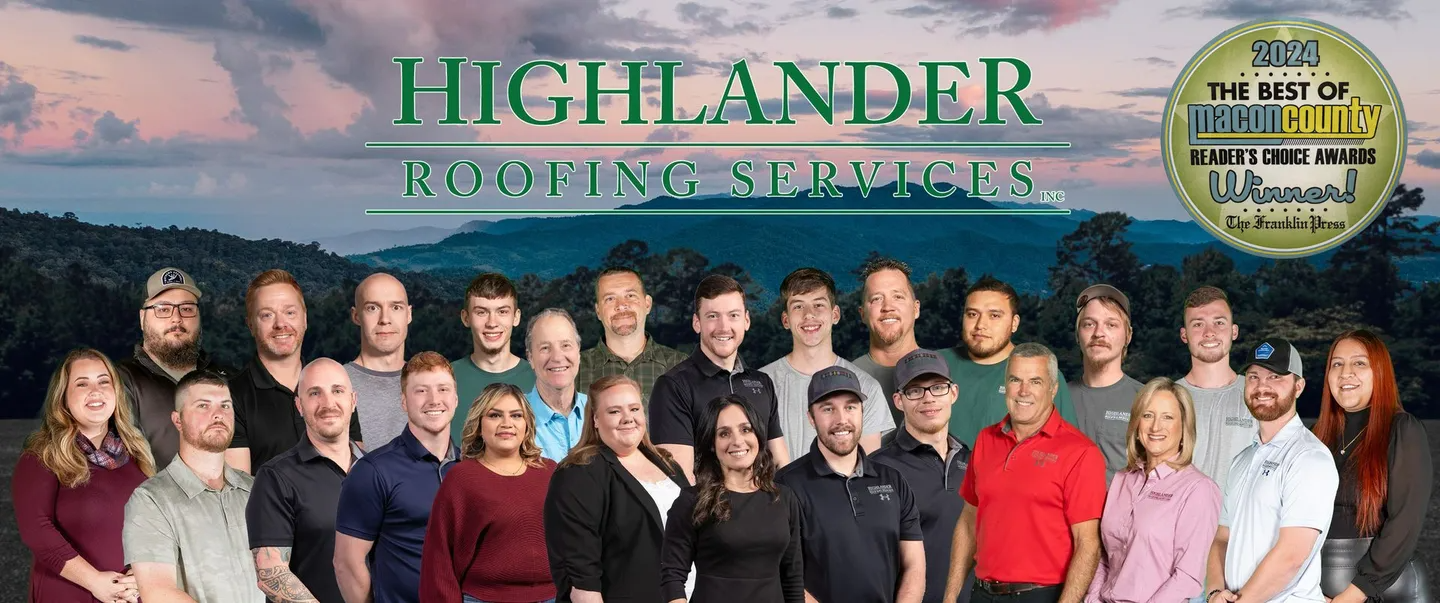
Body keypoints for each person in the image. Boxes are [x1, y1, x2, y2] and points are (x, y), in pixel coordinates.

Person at [943, 342, 1105, 603]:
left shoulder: (1081, 452)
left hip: (1040, 596)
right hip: (982, 594)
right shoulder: (985, 440)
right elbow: (968, 522)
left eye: (1035, 381)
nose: (1023, 391)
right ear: (1006, 385)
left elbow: (1088, 544)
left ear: (1053, 389)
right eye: (1015, 379)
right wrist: (950, 597)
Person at [15, 349, 155, 603]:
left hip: (132, 595)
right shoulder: (43, 455)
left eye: (104, 381)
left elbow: (153, 524)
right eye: (82, 383)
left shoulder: (136, 453)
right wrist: (95, 582)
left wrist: (141, 575)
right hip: (69, 594)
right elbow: (37, 530)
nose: (96, 390)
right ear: (64, 398)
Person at [1205, 338, 1339, 603]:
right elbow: (1222, 537)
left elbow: (1292, 553)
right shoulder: (1242, 460)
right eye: (1253, 377)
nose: (1261, 386)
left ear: (1298, 386)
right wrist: (1214, 592)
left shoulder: (1309, 458)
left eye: (1275, 376)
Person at [777, 366, 925, 603]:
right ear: (811, 418)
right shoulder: (785, 486)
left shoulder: (893, 481)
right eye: (828, 409)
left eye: (850, 407)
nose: (841, 419)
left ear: (862, 412)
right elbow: (778, 573)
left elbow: (914, 565)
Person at [545, 375, 693, 603]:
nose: (628, 418)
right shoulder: (579, 473)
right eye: (614, 411)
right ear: (595, 419)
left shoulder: (667, 464)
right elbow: (581, 580)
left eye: (634, 409)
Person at [123, 369, 265, 602]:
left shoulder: (255, 490)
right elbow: (158, 593)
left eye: (225, 406)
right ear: (177, 420)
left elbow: (279, 570)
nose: (218, 414)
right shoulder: (150, 500)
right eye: (203, 406)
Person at [1312, 330, 1432, 602]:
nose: (1346, 373)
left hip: (1388, 590)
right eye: (1337, 364)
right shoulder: (1315, 438)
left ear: (1380, 372)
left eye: (1359, 363)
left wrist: (1355, 594)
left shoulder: (1402, 430)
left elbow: (1405, 522)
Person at [335, 352, 461, 603]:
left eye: (443, 389)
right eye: (421, 391)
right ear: (404, 401)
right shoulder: (373, 471)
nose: (434, 400)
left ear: (455, 399)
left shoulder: (472, 467)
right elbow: (346, 563)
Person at [1086, 378, 1222, 603]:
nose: (1156, 427)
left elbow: (1187, 577)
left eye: (1168, 417)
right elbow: (1106, 557)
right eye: (1148, 415)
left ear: (1184, 427)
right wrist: (1092, 599)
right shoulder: (1122, 479)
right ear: (1137, 425)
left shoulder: (1198, 490)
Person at [421, 382, 557, 603]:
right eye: (494, 415)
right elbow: (439, 558)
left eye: (516, 415)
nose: (507, 424)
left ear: (527, 424)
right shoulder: (462, 479)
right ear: (479, 425)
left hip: (554, 596)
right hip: (486, 598)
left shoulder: (551, 473)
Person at [661, 394, 804, 603]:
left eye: (746, 430)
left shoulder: (784, 498)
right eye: (724, 433)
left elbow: (793, 579)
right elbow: (672, 577)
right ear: (711, 443)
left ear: (758, 435)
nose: (737, 441)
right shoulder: (692, 500)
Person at [247, 358, 365, 603]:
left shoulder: (379, 471)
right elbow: (272, 576)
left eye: (337, 391)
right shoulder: (275, 478)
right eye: (315, 393)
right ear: (299, 405)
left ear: (353, 401)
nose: (328, 403)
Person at [651, 274, 788, 483]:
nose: (724, 327)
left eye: (733, 315)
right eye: (713, 316)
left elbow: (780, 466)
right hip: (708, 512)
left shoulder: (762, 383)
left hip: (765, 510)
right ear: (697, 323)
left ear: (746, 320)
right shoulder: (673, 386)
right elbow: (678, 481)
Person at [228, 269, 362, 474]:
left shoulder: (335, 386)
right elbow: (240, 494)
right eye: (267, 315)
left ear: (304, 319)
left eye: (290, 313)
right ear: (251, 325)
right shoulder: (231, 396)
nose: (281, 324)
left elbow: (357, 474)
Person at [872, 349, 974, 603]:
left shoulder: (974, 462)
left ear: (953, 393)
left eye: (938, 387)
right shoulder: (877, 471)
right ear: (898, 400)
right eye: (915, 391)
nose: (928, 398)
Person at [763, 267, 894, 455]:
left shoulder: (866, 387)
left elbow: (867, 472)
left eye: (818, 305)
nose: (809, 314)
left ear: (835, 315)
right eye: (798, 306)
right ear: (786, 319)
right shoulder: (762, 385)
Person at [117, 267, 233, 471]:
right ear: (142, 319)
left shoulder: (226, 377)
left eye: (187, 308)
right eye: (163, 309)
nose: (176, 319)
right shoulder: (121, 381)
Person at [939, 277, 1077, 448]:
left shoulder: (1042, 371)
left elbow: (1067, 447)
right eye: (972, 314)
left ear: (1014, 323)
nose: (981, 325)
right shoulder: (936, 364)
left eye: (994, 316)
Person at [1174, 286, 1254, 495]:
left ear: (1234, 331)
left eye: (1219, 322)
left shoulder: (1257, 394)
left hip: (1240, 526)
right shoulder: (1167, 397)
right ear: (1184, 335)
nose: (1209, 332)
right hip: (1180, 526)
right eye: (1198, 324)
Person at [575, 267, 687, 404]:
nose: (621, 306)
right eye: (610, 298)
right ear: (598, 311)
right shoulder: (574, 370)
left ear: (647, 304)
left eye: (630, 296)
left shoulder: (683, 367)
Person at [1068, 284, 1143, 484]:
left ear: (1128, 335)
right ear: (1078, 335)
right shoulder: (1056, 399)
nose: (1099, 333)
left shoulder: (1145, 400)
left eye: (1111, 325)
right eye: (1089, 324)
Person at [452, 273, 538, 445]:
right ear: (465, 317)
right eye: (481, 312)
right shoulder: (446, 379)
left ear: (516, 317)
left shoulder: (540, 379)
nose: (492, 323)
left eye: (502, 311)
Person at [850, 257, 922, 429]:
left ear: (916, 308)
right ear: (863, 314)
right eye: (876, 299)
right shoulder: (848, 378)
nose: (888, 306)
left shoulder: (946, 375)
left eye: (898, 296)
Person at [346, 272, 413, 448]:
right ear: (356, 316)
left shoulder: (433, 384)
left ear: (409, 314)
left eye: (396, 307)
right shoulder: (337, 384)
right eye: (372, 308)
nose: (385, 319)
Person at [525, 308, 589, 461]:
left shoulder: (602, 412)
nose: (557, 357)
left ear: (578, 352)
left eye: (566, 345)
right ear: (530, 357)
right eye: (545, 348)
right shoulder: (514, 418)